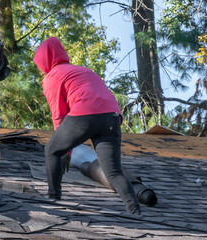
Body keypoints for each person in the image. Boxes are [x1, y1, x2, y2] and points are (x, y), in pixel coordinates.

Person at [33, 37, 141, 214]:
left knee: (51, 150)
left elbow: (58, 115)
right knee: (113, 172)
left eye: (39, 64)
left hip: (87, 114)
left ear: (45, 60)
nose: (40, 69)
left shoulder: (52, 77)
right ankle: (134, 210)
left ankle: (53, 198)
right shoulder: (82, 70)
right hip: (112, 116)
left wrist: (65, 151)